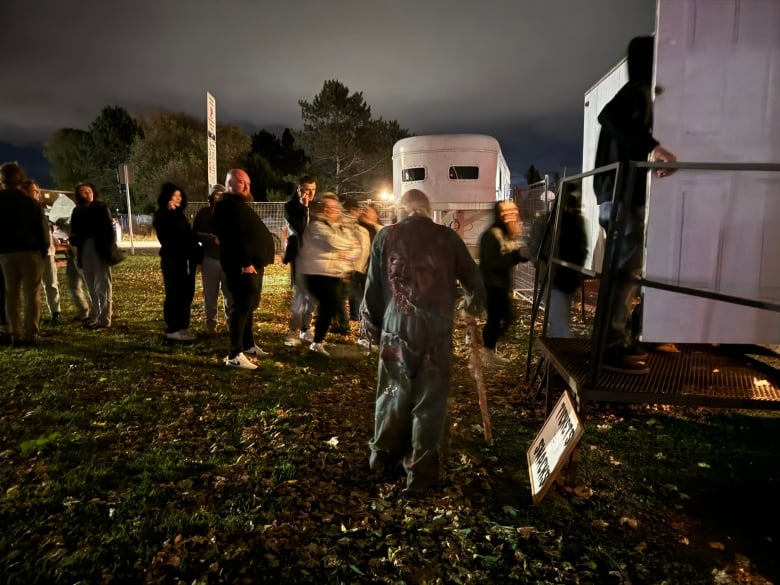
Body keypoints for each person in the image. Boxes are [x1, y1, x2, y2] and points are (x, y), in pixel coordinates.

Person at [361, 189, 486, 491]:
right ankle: (420, 474)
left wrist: (371, 326)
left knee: (392, 392)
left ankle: (381, 459)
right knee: (430, 400)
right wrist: (470, 308)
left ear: (402, 210)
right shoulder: (448, 238)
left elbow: (374, 288)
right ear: (428, 211)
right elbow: (475, 282)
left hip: (396, 327)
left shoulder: (385, 236)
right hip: (436, 330)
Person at [593, 35, 677, 374]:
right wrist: (651, 147)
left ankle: (616, 338)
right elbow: (608, 115)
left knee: (623, 270)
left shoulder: (639, 92)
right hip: (622, 195)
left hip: (613, 194)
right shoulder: (638, 91)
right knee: (626, 270)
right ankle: (612, 346)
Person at [213, 168, 275, 370]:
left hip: (253, 265)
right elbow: (231, 237)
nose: (247, 187)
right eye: (242, 183)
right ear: (229, 183)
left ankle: (247, 345)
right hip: (242, 267)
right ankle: (234, 353)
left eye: (248, 183)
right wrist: (244, 262)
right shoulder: (226, 205)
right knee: (240, 307)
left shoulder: (237, 204)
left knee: (249, 306)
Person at [296, 194, 356, 357]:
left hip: (333, 273)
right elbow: (333, 242)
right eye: (327, 207)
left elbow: (354, 250)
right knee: (328, 306)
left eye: (334, 207)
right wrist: (346, 247)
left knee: (329, 307)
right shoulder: (317, 225)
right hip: (316, 273)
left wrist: (348, 253)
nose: (330, 210)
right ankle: (314, 340)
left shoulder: (339, 227)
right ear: (322, 208)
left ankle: (316, 340)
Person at [0, 162, 49, 346]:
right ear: (20, 180)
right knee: (31, 294)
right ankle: (31, 334)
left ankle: (15, 333)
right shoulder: (30, 203)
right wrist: (43, 251)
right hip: (30, 252)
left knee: (11, 294)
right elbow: (42, 230)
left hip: (6, 253)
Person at [478, 200, 527, 365]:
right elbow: (492, 263)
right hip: (492, 285)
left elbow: (506, 256)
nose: (513, 218)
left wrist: (520, 256)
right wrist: (516, 256)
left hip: (500, 285)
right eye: (508, 214)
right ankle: (486, 352)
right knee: (495, 319)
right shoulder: (492, 235)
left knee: (505, 318)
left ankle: (489, 350)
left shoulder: (503, 234)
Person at [153, 182, 202, 342]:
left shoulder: (179, 215)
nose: (178, 199)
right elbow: (173, 237)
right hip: (174, 259)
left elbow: (188, 236)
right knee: (175, 293)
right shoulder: (163, 215)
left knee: (186, 293)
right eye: (175, 196)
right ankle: (173, 328)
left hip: (186, 259)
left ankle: (183, 326)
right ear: (167, 197)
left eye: (180, 196)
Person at [69, 182, 116, 330]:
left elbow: (108, 230)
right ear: (78, 195)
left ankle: (105, 317)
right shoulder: (77, 211)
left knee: (103, 284)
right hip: (84, 250)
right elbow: (74, 232)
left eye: (89, 191)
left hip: (99, 249)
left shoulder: (101, 208)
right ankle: (96, 313)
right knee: (90, 284)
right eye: (84, 192)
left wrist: (107, 248)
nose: (88, 194)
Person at [193, 184, 233, 336]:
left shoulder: (231, 214)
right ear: (211, 197)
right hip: (210, 258)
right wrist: (210, 238)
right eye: (217, 195)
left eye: (222, 195)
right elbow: (195, 233)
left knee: (229, 294)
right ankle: (211, 325)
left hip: (228, 260)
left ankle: (230, 324)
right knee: (210, 295)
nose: (219, 198)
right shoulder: (204, 213)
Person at [22, 179, 61, 325]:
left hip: (47, 252)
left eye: (38, 191)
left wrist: (52, 239)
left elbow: (44, 229)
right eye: (35, 191)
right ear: (25, 191)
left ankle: (55, 312)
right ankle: (34, 316)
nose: (38, 194)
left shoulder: (39, 208)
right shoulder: (23, 209)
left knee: (51, 283)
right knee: (33, 286)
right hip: (33, 252)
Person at [282, 176, 316, 346]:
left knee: (313, 295)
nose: (309, 194)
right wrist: (304, 207)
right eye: (305, 189)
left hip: (316, 256)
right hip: (299, 255)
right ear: (298, 190)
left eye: (313, 190)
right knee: (300, 293)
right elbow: (301, 228)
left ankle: (306, 328)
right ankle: (294, 330)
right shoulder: (290, 207)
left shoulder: (317, 208)